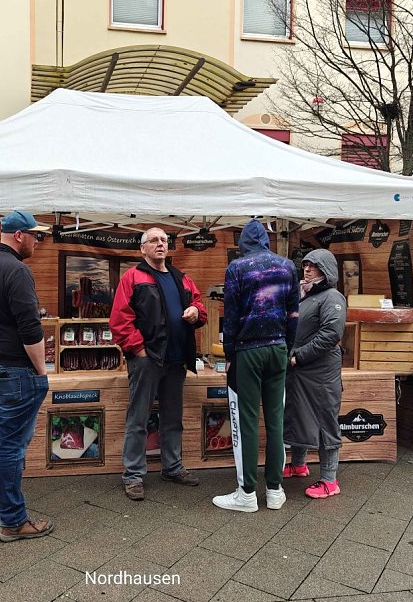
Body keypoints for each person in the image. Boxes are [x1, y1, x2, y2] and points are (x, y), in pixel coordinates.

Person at [0, 210, 54, 542]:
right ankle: (13, 521)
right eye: (36, 235)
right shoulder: (17, 270)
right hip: (15, 372)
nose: (38, 241)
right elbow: (30, 328)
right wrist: (42, 371)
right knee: (11, 447)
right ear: (20, 235)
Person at [109, 227, 207, 500]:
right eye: (154, 240)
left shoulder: (182, 278)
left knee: (173, 419)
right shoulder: (133, 277)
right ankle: (133, 475)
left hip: (176, 361)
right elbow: (119, 320)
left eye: (164, 240)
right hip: (147, 361)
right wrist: (138, 350)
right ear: (143, 249)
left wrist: (195, 311)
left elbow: (201, 305)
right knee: (138, 419)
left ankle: (172, 467)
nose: (160, 244)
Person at [212, 220, 299, 513]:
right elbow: (294, 313)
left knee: (246, 421)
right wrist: (288, 346)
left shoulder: (237, 268)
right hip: (278, 348)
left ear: (242, 243)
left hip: (248, 351)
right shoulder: (288, 267)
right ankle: (275, 491)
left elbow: (232, 317)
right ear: (267, 241)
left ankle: (246, 493)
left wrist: (228, 355)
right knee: (275, 421)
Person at [283, 248, 346, 499]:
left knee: (324, 424)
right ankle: (299, 466)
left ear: (327, 270)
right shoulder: (303, 295)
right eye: (306, 264)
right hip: (300, 373)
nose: (307, 269)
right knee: (299, 418)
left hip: (320, 374)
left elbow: (331, 334)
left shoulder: (332, 297)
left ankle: (330, 481)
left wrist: (299, 356)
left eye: (314, 266)